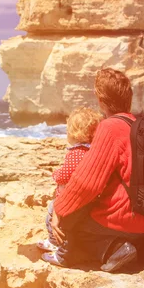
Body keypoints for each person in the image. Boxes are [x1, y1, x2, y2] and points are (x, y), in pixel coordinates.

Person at [44, 68, 144, 272]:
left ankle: (113, 249)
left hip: (125, 218)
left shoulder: (110, 127)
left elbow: (87, 183)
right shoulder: (140, 126)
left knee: (71, 230)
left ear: (100, 99)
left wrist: (59, 210)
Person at [37, 107, 102, 253]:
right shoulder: (92, 150)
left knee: (52, 211)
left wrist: (56, 175)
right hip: (87, 197)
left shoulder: (76, 153)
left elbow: (65, 175)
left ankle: (53, 241)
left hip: (69, 197)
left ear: (74, 133)